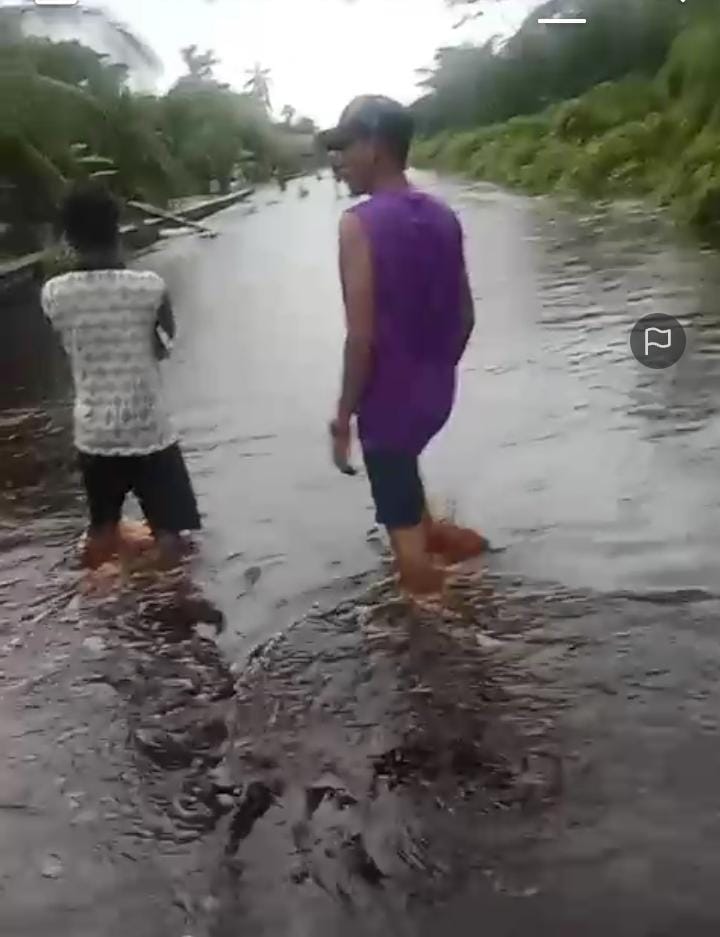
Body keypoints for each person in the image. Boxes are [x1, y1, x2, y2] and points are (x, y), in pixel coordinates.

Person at [320, 96, 486, 595]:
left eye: (346, 147)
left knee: (412, 573)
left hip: (387, 405)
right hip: (437, 395)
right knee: (407, 482)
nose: (338, 160)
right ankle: (447, 543)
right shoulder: (443, 215)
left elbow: (361, 337)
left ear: (375, 147)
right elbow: (466, 316)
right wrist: (434, 370)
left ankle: (443, 635)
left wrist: (344, 415)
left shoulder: (357, 224)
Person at [41, 179, 201, 569]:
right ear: (117, 229)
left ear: (69, 237)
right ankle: (165, 595)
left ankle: (95, 590)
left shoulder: (54, 293)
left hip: (94, 434)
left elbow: (70, 343)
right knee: (169, 533)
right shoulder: (149, 287)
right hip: (149, 430)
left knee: (103, 527)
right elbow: (164, 346)